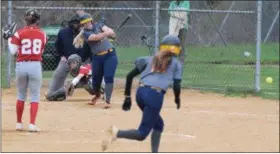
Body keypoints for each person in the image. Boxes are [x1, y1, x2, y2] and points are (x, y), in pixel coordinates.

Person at [101, 35, 183, 152]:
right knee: (142, 134)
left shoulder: (149, 59)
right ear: (177, 49)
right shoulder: (176, 63)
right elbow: (176, 85)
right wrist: (177, 99)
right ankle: (117, 133)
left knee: (158, 124)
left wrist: (127, 97)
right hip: (154, 95)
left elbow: (129, 76)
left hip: (140, 93)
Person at [4, 9, 47, 132]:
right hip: (35, 65)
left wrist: (8, 38)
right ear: (38, 20)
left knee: (21, 95)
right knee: (34, 96)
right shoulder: (42, 34)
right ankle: (32, 124)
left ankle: (18, 123)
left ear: (25, 20)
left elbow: (13, 51)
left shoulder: (19, 33)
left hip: (21, 65)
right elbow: (41, 52)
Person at [76, 13, 118, 109]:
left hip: (110, 55)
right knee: (96, 81)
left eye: (88, 22)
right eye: (84, 23)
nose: (86, 24)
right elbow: (95, 37)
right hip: (97, 58)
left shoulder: (99, 25)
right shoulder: (85, 33)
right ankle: (97, 95)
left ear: (91, 21)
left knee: (108, 77)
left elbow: (109, 31)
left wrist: (110, 33)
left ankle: (107, 100)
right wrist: (106, 34)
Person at [45, 14, 91, 101]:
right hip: (68, 60)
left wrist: (89, 63)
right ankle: (54, 92)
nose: (76, 25)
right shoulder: (63, 32)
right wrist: (62, 55)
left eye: (78, 23)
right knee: (58, 73)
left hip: (84, 62)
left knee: (90, 82)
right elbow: (57, 45)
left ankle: (97, 92)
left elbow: (92, 48)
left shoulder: (88, 33)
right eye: (74, 23)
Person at [168, 0, 190, 66]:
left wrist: (175, 12)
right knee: (173, 44)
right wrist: (179, 13)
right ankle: (172, 62)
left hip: (183, 27)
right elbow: (169, 11)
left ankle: (181, 63)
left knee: (181, 45)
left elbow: (186, 12)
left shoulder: (186, 2)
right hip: (174, 27)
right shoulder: (172, 3)